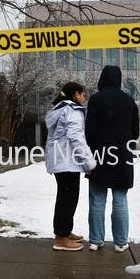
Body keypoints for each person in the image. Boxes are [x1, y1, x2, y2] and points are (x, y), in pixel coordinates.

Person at [85, 65, 140, 253]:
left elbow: (89, 132)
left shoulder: (95, 100)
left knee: (97, 199)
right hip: (122, 155)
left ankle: (95, 240)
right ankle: (121, 242)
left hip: (99, 155)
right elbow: (135, 132)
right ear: (119, 79)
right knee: (120, 199)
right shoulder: (129, 101)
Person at [45, 82, 97, 251]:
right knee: (68, 199)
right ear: (76, 94)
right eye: (83, 94)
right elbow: (76, 138)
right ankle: (61, 238)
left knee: (64, 197)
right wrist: (89, 162)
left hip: (60, 161)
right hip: (67, 161)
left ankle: (64, 232)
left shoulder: (59, 109)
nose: (84, 98)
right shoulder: (73, 110)